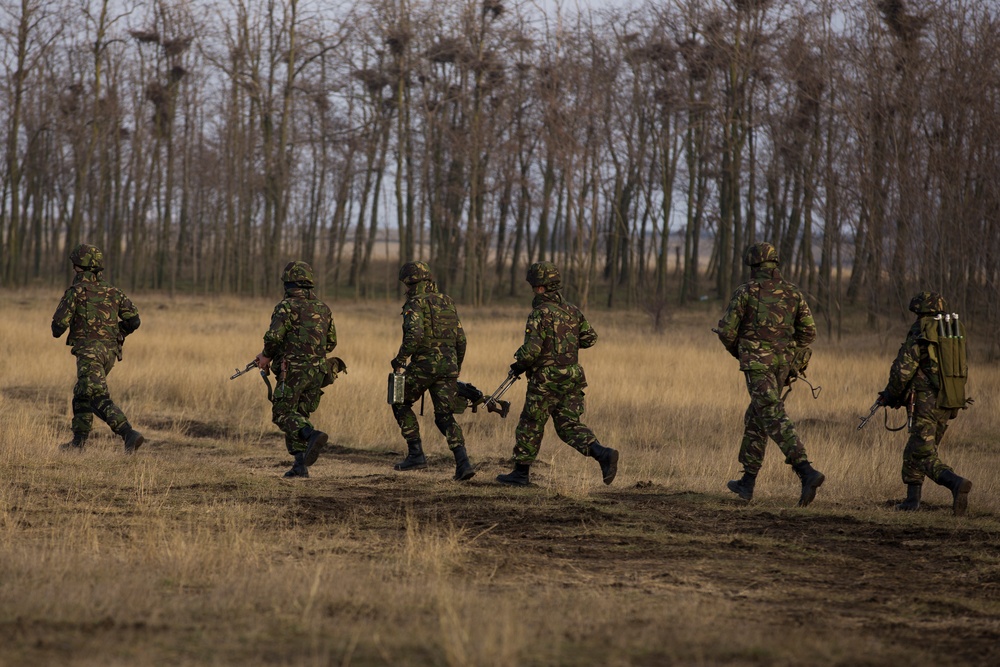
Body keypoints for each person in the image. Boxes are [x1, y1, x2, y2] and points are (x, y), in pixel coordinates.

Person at [715, 242, 824, 506]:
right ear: (775, 264)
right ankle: (747, 482)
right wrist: (787, 351)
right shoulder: (793, 293)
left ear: (753, 265)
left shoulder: (746, 291)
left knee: (772, 414)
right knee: (757, 417)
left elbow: (727, 332)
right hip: (782, 365)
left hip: (757, 365)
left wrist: (742, 351)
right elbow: (809, 333)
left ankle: (806, 471)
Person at [496, 261, 619, 487]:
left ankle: (520, 473)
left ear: (540, 287)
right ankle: (603, 454)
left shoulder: (539, 314)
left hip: (546, 379)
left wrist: (518, 364)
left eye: (533, 286)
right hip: (572, 376)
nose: (533, 290)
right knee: (567, 424)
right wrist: (565, 344)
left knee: (530, 423)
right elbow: (590, 338)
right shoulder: (573, 311)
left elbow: (531, 351)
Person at [877, 291, 973, 515]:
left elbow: (903, 370)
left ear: (920, 311)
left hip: (928, 402)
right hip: (950, 400)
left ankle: (956, 483)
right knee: (915, 448)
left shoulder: (922, 329)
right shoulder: (950, 331)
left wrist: (891, 395)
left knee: (922, 454)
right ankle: (912, 501)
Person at [51, 243, 144, 453]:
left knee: (95, 396)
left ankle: (129, 434)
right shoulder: (114, 292)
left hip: (89, 354)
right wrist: (117, 332)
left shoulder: (75, 292)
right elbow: (135, 321)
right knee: (82, 393)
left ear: (78, 267)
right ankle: (78, 443)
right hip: (110, 353)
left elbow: (57, 328)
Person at [390, 262, 475, 481]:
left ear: (410, 282)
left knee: (399, 400)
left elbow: (415, 335)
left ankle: (416, 454)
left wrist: (400, 359)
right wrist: (456, 367)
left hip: (424, 365)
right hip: (449, 366)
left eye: (406, 284)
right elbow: (461, 339)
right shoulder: (447, 301)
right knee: (444, 415)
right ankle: (463, 463)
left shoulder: (414, 303)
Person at [254, 261, 336, 478]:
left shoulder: (286, 307)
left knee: (282, 413)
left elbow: (273, 337)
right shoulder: (323, 308)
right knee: (298, 414)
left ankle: (311, 435)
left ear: (288, 283)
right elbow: (331, 343)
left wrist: (267, 355)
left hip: (291, 370)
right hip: (318, 371)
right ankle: (300, 466)